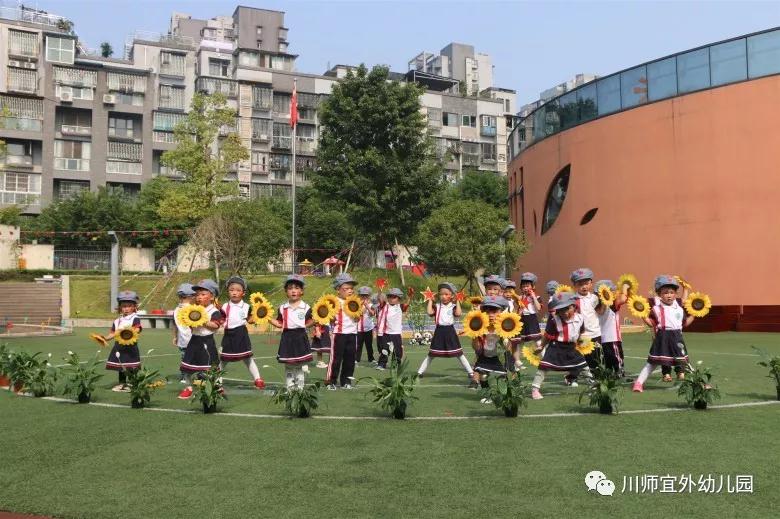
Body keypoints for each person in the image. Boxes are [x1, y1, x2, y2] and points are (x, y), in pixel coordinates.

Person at [632, 275, 695, 393]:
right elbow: (651, 323)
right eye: (665, 293)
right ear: (659, 294)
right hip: (662, 338)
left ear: (676, 294)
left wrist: (694, 314)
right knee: (652, 363)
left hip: (677, 338)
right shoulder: (656, 309)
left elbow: (685, 323)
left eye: (672, 292)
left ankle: (700, 383)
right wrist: (642, 315)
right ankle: (638, 383)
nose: (669, 295)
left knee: (684, 362)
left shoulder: (679, 307)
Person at [531, 291, 595, 400]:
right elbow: (547, 335)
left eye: (567, 308)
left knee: (584, 366)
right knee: (544, 367)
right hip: (555, 347)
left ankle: (593, 387)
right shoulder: (554, 320)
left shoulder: (580, 318)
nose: (564, 313)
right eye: (560, 310)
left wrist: (581, 342)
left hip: (571, 347)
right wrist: (541, 346)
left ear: (574, 306)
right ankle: (535, 389)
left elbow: (580, 332)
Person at [178, 279, 225, 400]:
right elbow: (189, 323)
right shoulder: (193, 309)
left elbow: (215, 326)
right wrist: (189, 320)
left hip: (206, 341)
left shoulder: (214, 311)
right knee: (187, 366)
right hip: (194, 341)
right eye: (197, 294)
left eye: (203, 294)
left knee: (212, 367)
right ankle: (188, 387)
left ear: (212, 296)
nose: (199, 297)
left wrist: (202, 321)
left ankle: (217, 386)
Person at [416, 282, 474, 380]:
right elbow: (429, 312)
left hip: (450, 332)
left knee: (459, 354)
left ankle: (470, 372)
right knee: (431, 354)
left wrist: (458, 301)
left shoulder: (453, 306)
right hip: (439, 332)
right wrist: (430, 300)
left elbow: (458, 314)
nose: (443, 296)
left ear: (452, 296)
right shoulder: (437, 306)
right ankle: (420, 372)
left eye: (446, 294)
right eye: (441, 294)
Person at [219, 276, 265, 389]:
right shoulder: (225, 306)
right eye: (231, 290)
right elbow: (221, 319)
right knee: (223, 359)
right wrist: (220, 323)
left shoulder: (246, 306)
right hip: (229, 335)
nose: (234, 293)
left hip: (241, 335)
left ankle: (258, 379)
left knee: (247, 358)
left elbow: (250, 320)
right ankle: (216, 382)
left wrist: (258, 315)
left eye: (238, 290)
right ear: (228, 292)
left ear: (243, 293)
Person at [270, 275, 314, 389]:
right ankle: (290, 387)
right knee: (288, 365)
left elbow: (311, 320)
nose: (293, 291)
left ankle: (300, 388)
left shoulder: (306, 307)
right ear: (286, 291)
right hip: (287, 338)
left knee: (299, 365)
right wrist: (267, 318)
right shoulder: (282, 308)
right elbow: (280, 323)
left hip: (300, 337)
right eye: (290, 288)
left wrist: (307, 324)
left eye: (297, 288)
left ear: (302, 291)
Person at [471, 295, 509, 403]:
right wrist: (475, 336)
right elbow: (476, 348)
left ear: (501, 312)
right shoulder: (480, 327)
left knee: (503, 377)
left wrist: (505, 340)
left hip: (499, 357)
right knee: (483, 376)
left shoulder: (505, 326)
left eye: (495, 312)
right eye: (488, 312)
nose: (491, 315)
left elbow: (507, 347)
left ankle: (505, 395)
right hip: (484, 355)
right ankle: (487, 395)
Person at [326, 273, 360, 390]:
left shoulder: (355, 302)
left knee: (350, 359)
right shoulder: (334, 301)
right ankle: (331, 381)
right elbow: (328, 317)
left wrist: (357, 314)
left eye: (351, 288)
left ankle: (346, 381)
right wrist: (331, 318)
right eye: (346, 288)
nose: (350, 291)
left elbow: (357, 318)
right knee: (336, 359)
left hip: (352, 334)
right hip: (339, 334)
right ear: (338, 289)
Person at [104, 291, 142, 392]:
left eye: (129, 306)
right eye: (124, 306)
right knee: (121, 367)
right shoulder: (117, 321)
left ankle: (133, 383)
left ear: (134, 307)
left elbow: (138, 328)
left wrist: (130, 331)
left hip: (130, 347)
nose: (126, 308)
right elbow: (113, 333)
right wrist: (105, 338)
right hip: (119, 347)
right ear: (120, 307)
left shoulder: (135, 318)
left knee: (131, 366)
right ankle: (122, 384)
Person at [571, 267, 605, 371]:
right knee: (582, 359)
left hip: (595, 333)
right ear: (575, 285)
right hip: (582, 335)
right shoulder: (573, 299)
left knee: (596, 359)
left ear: (591, 283)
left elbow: (600, 312)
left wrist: (604, 302)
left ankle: (595, 375)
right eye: (580, 284)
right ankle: (575, 376)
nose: (584, 287)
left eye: (586, 283)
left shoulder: (594, 298)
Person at [376, 288, 409, 370]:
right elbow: (380, 299)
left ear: (398, 298)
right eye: (389, 296)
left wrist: (410, 296)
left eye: (394, 297)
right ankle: (381, 364)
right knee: (385, 350)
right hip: (386, 333)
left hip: (396, 333)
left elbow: (407, 303)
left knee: (397, 351)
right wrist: (380, 290)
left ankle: (396, 365)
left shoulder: (400, 306)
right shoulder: (385, 305)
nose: (391, 298)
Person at [172, 283, 195, 384]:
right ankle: (198, 376)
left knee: (184, 359)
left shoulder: (176, 310)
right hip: (193, 339)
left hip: (182, 340)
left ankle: (184, 377)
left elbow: (175, 325)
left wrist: (174, 337)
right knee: (197, 358)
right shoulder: (193, 309)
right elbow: (194, 325)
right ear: (190, 296)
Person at [356, 286, 377, 364]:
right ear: (359, 296)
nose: (364, 297)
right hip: (358, 328)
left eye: (366, 295)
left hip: (368, 328)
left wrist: (367, 306)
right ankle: (356, 358)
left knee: (369, 345)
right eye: (362, 295)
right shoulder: (356, 305)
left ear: (369, 296)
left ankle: (371, 358)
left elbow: (372, 314)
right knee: (358, 345)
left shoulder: (371, 305)